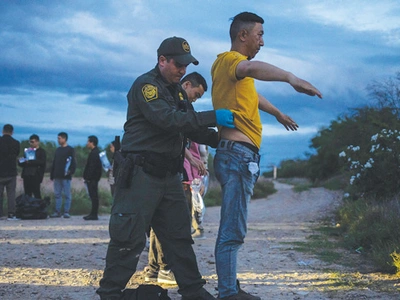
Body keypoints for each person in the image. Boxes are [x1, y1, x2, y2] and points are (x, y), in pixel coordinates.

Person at [97, 36, 234, 300]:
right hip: (142, 175)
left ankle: (193, 290)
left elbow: (189, 126)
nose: (183, 70)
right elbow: (168, 119)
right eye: (178, 65)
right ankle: (110, 293)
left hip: (169, 176)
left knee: (178, 237)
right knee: (129, 238)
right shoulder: (146, 86)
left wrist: (221, 139)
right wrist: (213, 116)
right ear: (162, 60)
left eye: (186, 66)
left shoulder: (177, 91)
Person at [211, 12, 323, 300]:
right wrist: (290, 77)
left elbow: (252, 93)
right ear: (242, 35)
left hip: (235, 155)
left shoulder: (234, 72)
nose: (263, 40)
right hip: (237, 155)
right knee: (233, 230)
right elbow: (252, 69)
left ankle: (230, 287)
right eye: (259, 34)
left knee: (234, 227)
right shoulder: (230, 61)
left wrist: (277, 113)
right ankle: (227, 293)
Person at [144, 72, 209, 286]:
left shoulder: (177, 106)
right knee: (173, 224)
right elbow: (177, 139)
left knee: (159, 224)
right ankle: (164, 268)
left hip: (173, 172)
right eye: (196, 94)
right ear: (187, 84)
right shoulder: (171, 105)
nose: (194, 100)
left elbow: (180, 142)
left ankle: (154, 269)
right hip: (172, 174)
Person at [50, 132, 76, 218]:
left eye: (59, 138)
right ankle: (57, 211)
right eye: (58, 138)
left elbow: (73, 162)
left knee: (67, 194)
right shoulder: (58, 150)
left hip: (66, 176)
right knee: (57, 194)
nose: (58, 140)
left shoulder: (70, 149)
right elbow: (54, 162)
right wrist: (52, 173)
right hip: (57, 175)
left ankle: (66, 211)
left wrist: (70, 171)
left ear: (64, 139)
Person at [0, 124, 20, 220]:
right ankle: (11, 214)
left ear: (3, 131)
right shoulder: (16, 143)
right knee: (11, 194)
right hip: (11, 172)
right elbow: (16, 154)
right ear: (12, 132)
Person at [18, 134, 46, 199]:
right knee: (27, 194)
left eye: (32, 142)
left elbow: (42, 162)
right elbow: (23, 163)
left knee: (37, 193)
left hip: (36, 175)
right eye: (30, 142)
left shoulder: (41, 151)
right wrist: (20, 161)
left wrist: (30, 161)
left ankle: (38, 208)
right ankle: (28, 208)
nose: (31, 143)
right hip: (27, 175)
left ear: (37, 142)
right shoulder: (27, 151)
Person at [83, 135, 102, 221]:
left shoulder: (94, 153)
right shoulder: (95, 152)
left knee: (94, 196)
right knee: (93, 196)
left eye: (88, 142)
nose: (87, 143)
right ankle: (93, 213)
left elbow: (92, 167)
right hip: (93, 179)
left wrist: (88, 177)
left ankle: (94, 214)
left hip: (92, 179)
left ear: (92, 143)